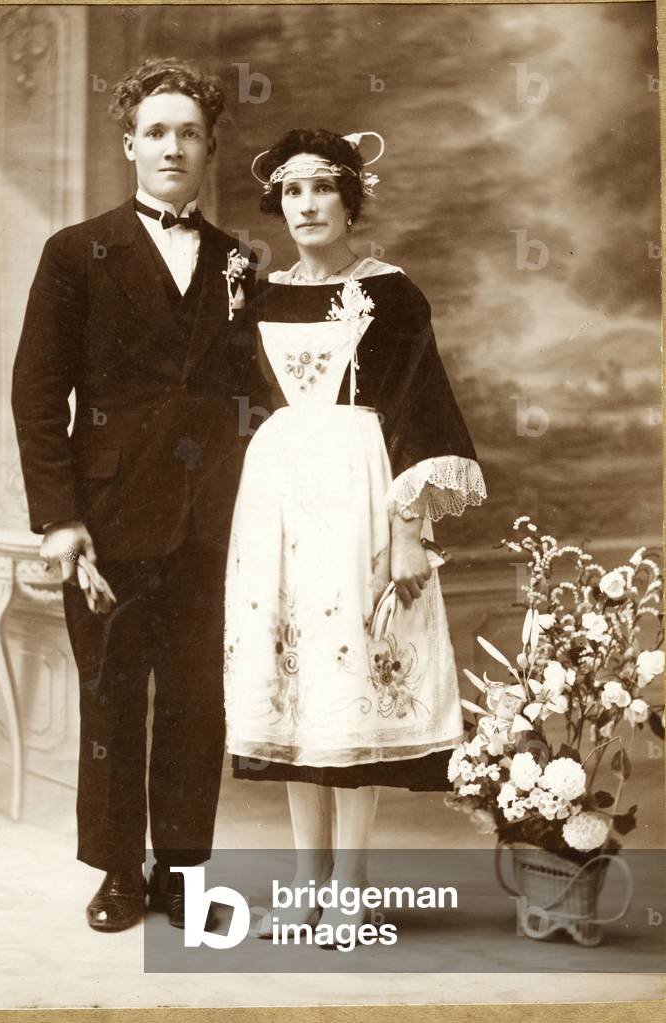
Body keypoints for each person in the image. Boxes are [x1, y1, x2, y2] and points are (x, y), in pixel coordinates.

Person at [223, 128, 486, 937]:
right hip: (277, 498)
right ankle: (305, 884)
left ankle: (353, 887)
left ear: (348, 200)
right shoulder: (259, 295)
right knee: (300, 689)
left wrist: (407, 530)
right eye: (291, 191)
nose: (304, 204)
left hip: (360, 489)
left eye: (321, 189)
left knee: (353, 685)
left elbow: (418, 410)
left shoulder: (393, 294)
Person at [12, 58, 255, 932]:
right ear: (129, 147)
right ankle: (118, 869)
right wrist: (61, 519)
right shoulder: (76, 251)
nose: (173, 146)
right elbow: (37, 394)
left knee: (196, 696)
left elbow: (254, 395)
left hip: (211, 522)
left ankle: (184, 873)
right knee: (112, 694)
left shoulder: (238, 260)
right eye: (157, 130)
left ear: (210, 149)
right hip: (108, 517)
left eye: (189, 131)